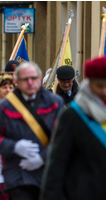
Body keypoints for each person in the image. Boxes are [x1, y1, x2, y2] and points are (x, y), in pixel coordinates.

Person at [0, 62, 64, 200]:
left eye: (33, 78)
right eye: (25, 79)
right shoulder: (4, 106)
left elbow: (63, 139)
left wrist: (42, 157)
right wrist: (14, 147)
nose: (30, 82)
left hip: (49, 174)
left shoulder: (55, 103)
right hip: (18, 174)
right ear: (17, 81)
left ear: (40, 79)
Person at [40, 57, 106, 200]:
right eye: (100, 86)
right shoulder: (72, 115)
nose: (104, 92)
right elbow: (57, 164)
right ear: (90, 85)